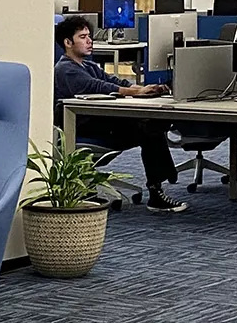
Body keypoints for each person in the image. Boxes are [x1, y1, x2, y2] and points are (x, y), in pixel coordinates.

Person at [52, 15, 188, 214]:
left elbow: (113, 80)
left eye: (89, 36)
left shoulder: (87, 65)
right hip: (81, 127)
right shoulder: (65, 69)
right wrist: (136, 92)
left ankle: (158, 186)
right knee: (148, 128)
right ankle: (157, 192)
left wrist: (141, 88)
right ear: (67, 42)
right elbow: (98, 86)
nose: (89, 41)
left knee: (150, 126)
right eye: (83, 37)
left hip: (100, 122)